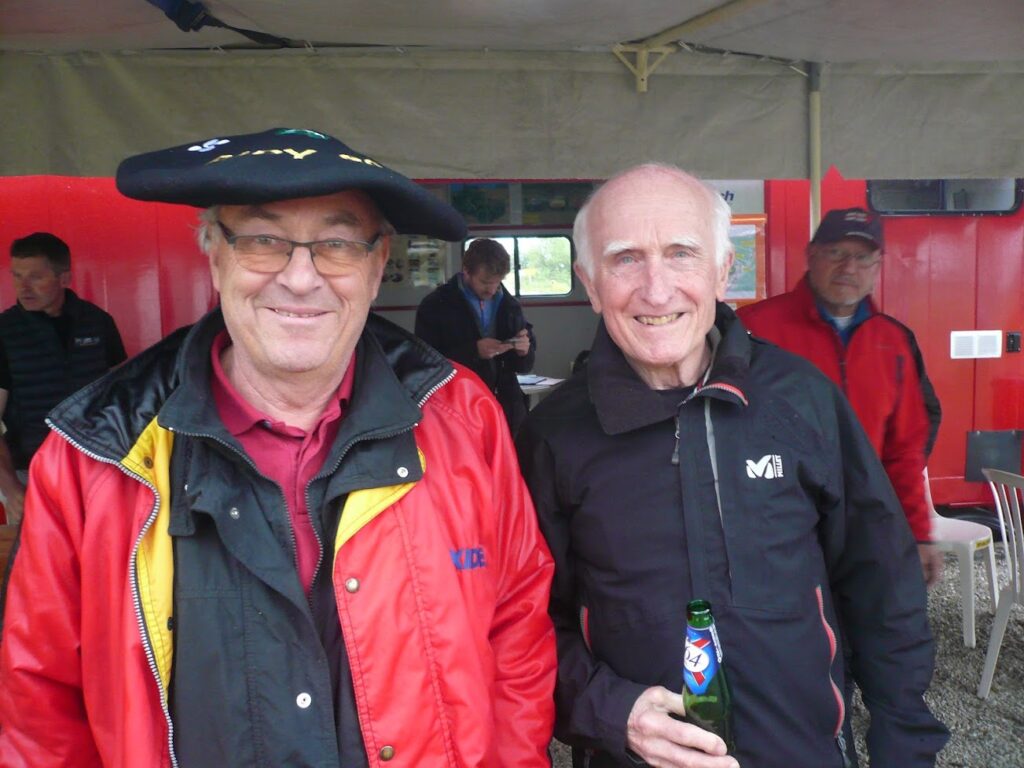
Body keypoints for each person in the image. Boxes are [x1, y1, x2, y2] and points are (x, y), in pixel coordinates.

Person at [0, 128, 556, 767]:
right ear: (215, 256)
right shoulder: (94, 455)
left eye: (337, 244)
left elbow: (517, 629)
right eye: (263, 240)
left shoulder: (463, 419)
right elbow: (40, 706)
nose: (299, 278)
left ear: (377, 266)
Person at [516, 164, 948, 767]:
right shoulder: (554, 436)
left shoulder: (801, 398)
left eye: (681, 254)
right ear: (589, 284)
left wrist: (905, 742)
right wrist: (609, 710)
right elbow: (521, 623)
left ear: (722, 271)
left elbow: (880, 579)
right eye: (625, 259)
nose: (657, 290)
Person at [737, 207, 944, 587]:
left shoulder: (893, 342)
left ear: (878, 266)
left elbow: (905, 450)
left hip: (867, 527)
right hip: (778, 529)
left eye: (863, 257)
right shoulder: (753, 329)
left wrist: (918, 532)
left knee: (874, 619)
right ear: (811, 255)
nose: (849, 267)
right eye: (836, 252)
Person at [0, 232, 126, 525]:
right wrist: (11, 489)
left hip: (96, 471)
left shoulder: (97, 322)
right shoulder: (5, 332)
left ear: (64, 278)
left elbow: (122, 401)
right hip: (29, 474)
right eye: (17, 276)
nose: (23, 287)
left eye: (36, 277)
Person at [415, 237, 536, 434]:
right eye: (485, 282)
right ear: (466, 271)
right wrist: (473, 351)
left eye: (497, 282)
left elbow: (524, 367)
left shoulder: (510, 306)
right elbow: (423, 363)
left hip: (506, 408)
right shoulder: (436, 305)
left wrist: (524, 352)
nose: (492, 290)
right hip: (456, 406)